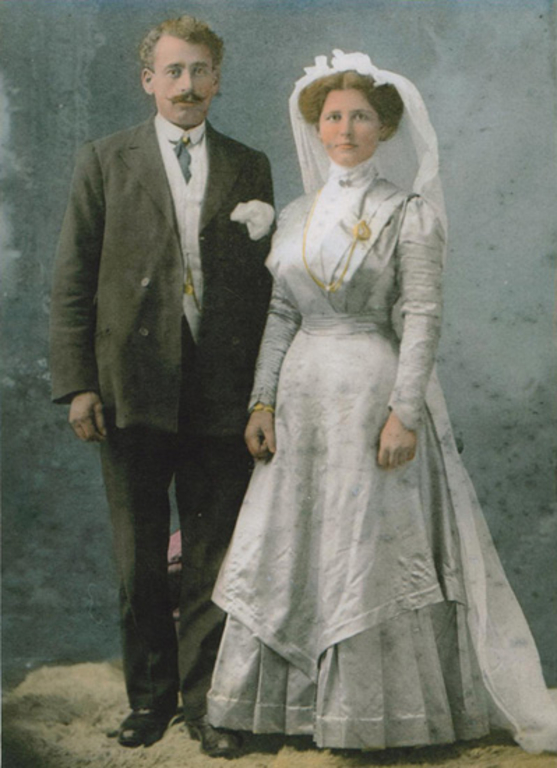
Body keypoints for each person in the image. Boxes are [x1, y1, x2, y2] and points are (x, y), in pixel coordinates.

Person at [206, 51, 557, 754]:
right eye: (332, 116)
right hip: (301, 404)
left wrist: (403, 411)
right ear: (317, 125)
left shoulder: (408, 212)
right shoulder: (298, 214)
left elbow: (422, 314)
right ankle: (283, 711)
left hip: (371, 396)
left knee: (364, 548)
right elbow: (280, 313)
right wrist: (261, 401)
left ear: (384, 127)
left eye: (360, 116)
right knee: (289, 547)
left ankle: (377, 718)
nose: (344, 128)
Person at [49, 14, 274, 758]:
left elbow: (265, 293)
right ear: (148, 80)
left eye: (200, 70)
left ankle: (208, 704)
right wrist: (79, 384)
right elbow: (74, 282)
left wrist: (262, 395)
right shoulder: (105, 159)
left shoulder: (249, 166)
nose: (187, 85)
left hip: (219, 395)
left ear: (218, 79)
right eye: (173, 72)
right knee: (140, 558)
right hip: (130, 391)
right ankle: (148, 701)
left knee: (213, 559)